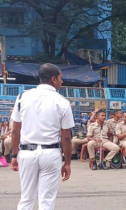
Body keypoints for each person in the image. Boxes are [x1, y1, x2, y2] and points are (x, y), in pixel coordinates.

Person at [10, 63, 75, 209]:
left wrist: (14, 155)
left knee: (26, 198)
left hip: (26, 153)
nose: (62, 81)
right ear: (54, 79)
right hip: (50, 153)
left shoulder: (22, 97)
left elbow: (15, 130)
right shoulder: (62, 102)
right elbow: (66, 137)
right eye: (60, 78)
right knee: (46, 200)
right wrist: (68, 162)